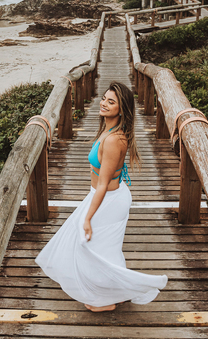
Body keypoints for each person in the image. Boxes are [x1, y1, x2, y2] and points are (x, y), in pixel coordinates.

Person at [36, 81, 167, 311]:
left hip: (109, 198)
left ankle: (108, 299)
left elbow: (104, 184)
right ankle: (116, 292)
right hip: (103, 195)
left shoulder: (114, 140)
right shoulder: (107, 130)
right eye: (104, 98)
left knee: (97, 247)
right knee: (99, 247)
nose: (104, 104)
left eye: (111, 102)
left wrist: (88, 216)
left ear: (121, 109)